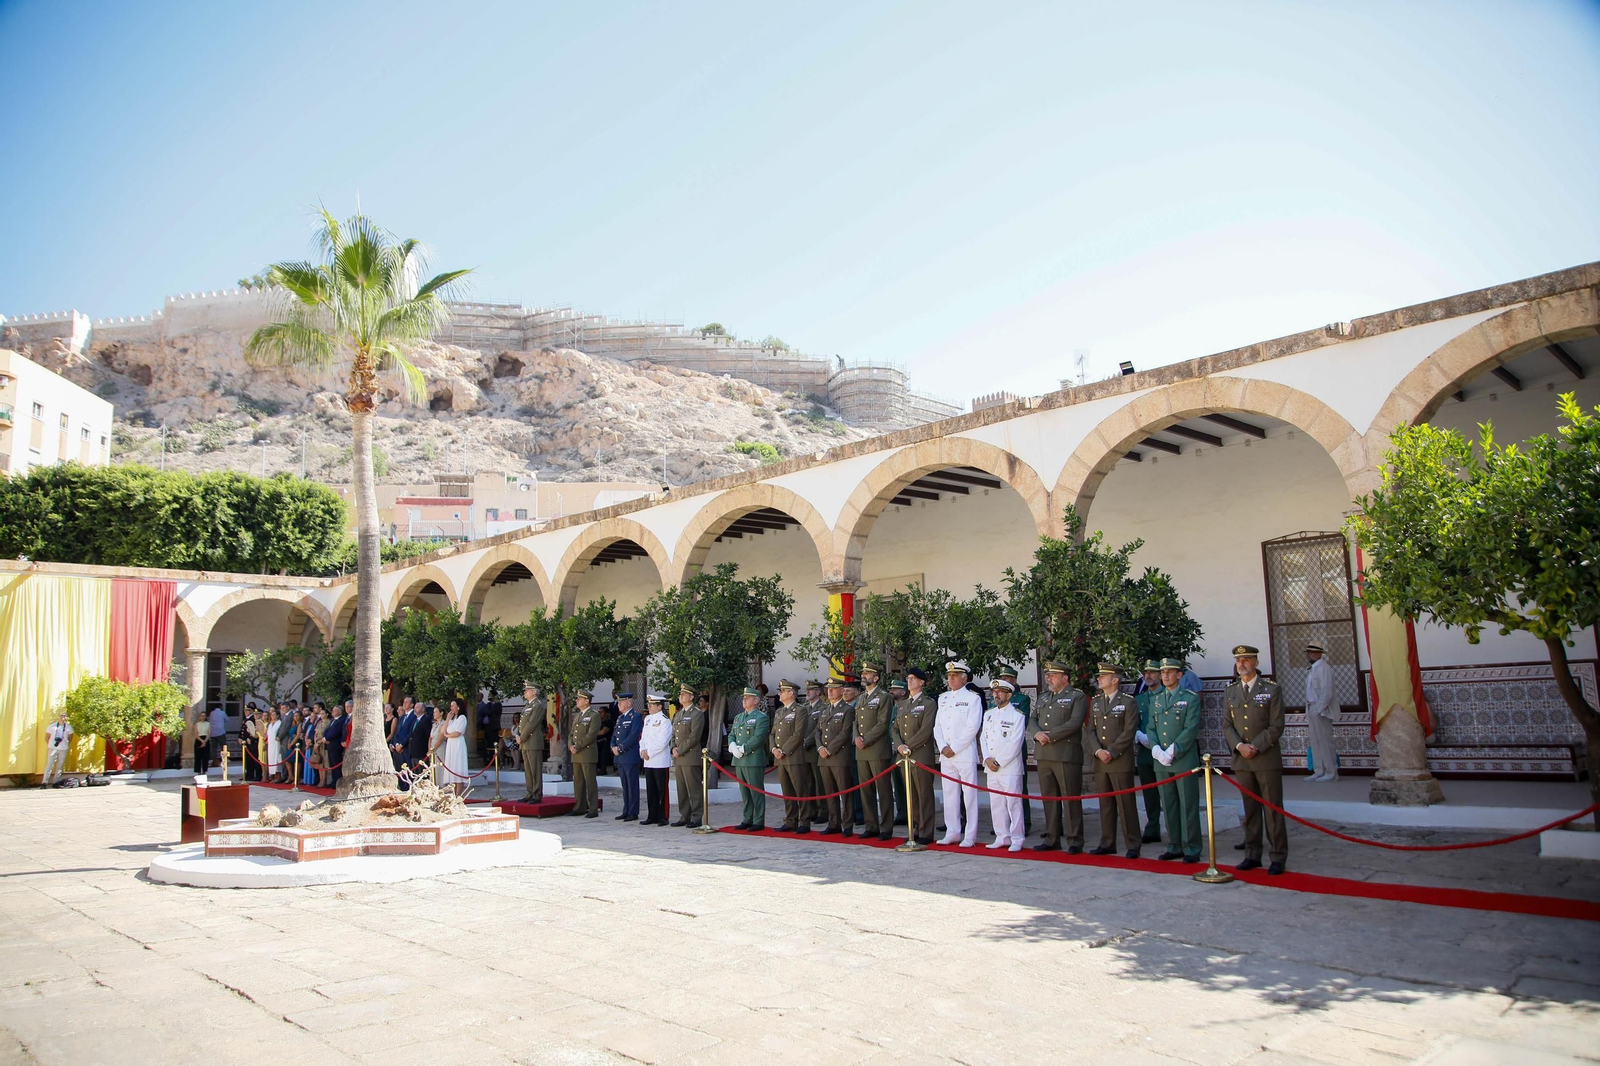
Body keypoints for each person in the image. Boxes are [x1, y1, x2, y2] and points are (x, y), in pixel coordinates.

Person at [1225, 644, 1288, 874]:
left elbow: (1276, 725)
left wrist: (1255, 746)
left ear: (1256, 663)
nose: (1241, 664)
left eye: (1247, 659)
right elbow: (1227, 725)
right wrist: (1239, 746)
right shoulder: (1230, 691)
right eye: (1238, 660)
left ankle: (1278, 856)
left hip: (1265, 758)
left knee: (1272, 809)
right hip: (1242, 759)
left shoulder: (1271, 689)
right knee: (1249, 809)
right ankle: (1252, 854)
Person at [1147, 658, 1203, 863]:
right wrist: (1155, 748)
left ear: (1179, 675)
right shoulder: (1157, 698)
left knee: (1187, 804)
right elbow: (1151, 727)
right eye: (1163, 672)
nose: (1165, 676)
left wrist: (1174, 749)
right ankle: (1174, 844)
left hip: (1182, 759)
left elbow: (1191, 728)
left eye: (1170, 672)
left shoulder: (1190, 698)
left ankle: (1192, 847)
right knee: (1168, 803)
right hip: (1161, 760)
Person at [1029, 660, 1087, 854]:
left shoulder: (1076, 696)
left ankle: (1074, 840)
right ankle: (1052, 837)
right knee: (1049, 798)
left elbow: (1074, 723)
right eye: (1047, 675)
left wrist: (1049, 735)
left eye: (1052, 675)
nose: (1048, 679)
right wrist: (1037, 733)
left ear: (1065, 678)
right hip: (1044, 754)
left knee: (1070, 799)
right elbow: (1032, 719)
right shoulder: (1044, 697)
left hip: (1065, 754)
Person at [1087, 663, 1142, 859]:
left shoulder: (1128, 702)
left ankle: (1133, 843)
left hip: (1119, 760)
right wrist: (1098, 751)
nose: (1099, 679)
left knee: (1125, 803)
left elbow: (1129, 731)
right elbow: (1091, 731)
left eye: (1103, 676)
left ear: (1115, 679)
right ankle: (1107, 842)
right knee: (1106, 804)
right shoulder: (1095, 702)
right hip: (1101, 760)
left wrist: (1112, 751)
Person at [934, 660, 984, 848]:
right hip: (946, 754)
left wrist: (953, 747)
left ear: (964, 679)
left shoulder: (972, 698)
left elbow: (973, 727)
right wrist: (942, 746)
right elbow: (937, 726)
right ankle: (952, 831)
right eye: (949, 676)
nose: (951, 679)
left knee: (969, 794)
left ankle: (970, 835)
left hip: (962, 752)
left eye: (954, 676)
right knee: (949, 793)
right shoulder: (943, 698)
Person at [981, 677, 1027, 851]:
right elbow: (983, 738)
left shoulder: (1016, 715)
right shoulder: (989, 714)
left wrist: (998, 761)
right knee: (997, 803)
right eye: (994, 692)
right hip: (991, 767)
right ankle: (1002, 836)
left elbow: (1015, 743)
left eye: (1000, 692)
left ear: (1009, 695)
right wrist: (987, 758)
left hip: (1008, 767)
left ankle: (1017, 838)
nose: (996, 695)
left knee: (1013, 803)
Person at [893, 668, 938, 845]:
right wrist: (899, 745)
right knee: (911, 795)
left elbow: (925, 730)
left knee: (923, 794)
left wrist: (908, 746)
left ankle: (926, 831)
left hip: (920, 755)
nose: (909, 681)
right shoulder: (903, 704)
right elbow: (895, 729)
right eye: (908, 678)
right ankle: (915, 829)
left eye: (913, 679)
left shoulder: (928, 703)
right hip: (904, 756)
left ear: (922, 683)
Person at [853, 664, 895, 840]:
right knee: (866, 790)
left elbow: (882, 723)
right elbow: (855, 722)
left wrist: (865, 739)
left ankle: (886, 827)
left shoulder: (884, 697)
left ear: (876, 678)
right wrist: (856, 737)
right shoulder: (861, 698)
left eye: (867, 673)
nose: (864, 676)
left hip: (877, 749)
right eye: (863, 673)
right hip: (861, 751)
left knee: (883, 790)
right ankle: (871, 826)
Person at [814, 677, 857, 836]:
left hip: (838, 756)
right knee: (830, 792)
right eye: (828, 689)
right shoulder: (825, 710)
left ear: (841, 691)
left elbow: (845, 732)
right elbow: (817, 731)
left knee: (844, 792)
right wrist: (820, 747)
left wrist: (829, 749)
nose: (830, 691)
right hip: (823, 757)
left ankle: (847, 825)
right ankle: (834, 823)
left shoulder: (847, 710)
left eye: (833, 689)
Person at [769, 679, 813, 833]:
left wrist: (784, 750)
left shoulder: (800, 710)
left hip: (793, 756)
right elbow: (773, 734)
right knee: (787, 791)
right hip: (779, 757)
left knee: (800, 789)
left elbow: (798, 734)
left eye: (782, 691)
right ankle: (790, 820)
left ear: (791, 693)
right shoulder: (779, 711)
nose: (779, 694)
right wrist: (774, 748)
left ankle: (804, 822)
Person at [995, 666, 1032, 836]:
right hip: (996, 751)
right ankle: (1002, 824)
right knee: (998, 791)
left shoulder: (1021, 699)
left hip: (1014, 749)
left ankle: (1024, 822)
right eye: (1002, 677)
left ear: (1014, 681)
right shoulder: (995, 698)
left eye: (1008, 678)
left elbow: (1021, 723)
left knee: (1018, 788)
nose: (1004, 680)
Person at [1132, 660, 1166, 844]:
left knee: (1168, 792)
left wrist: (1155, 742)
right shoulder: (1140, 699)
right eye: (1146, 672)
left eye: (1152, 673)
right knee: (1149, 793)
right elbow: (1134, 721)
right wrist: (1138, 734)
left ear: (1160, 675)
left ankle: (1175, 831)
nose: (1148, 676)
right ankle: (1153, 828)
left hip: (1164, 752)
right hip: (1145, 753)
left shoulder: (1167, 695)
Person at [727, 687, 771, 831]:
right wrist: (733, 746)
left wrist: (744, 748)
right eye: (744, 697)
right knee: (744, 792)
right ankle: (747, 818)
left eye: (748, 697)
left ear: (756, 700)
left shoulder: (761, 717)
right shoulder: (738, 717)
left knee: (755, 791)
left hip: (752, 758)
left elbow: (758, 737)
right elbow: (732, 734)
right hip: (739, 759)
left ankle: (758, 820)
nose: (744, 699)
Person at [670, 683, 708, 827]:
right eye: (680, 694)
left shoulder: (696, 713)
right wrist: (673, 747)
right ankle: (684, 815)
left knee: (694, 789)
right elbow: (674, 734)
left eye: (684, 694)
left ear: (691, 697)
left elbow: (694, 736)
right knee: (682, 789)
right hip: (679, 757)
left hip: (690, 756)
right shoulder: (679, 714)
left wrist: (680, 749)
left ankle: (696, 817)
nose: (681, 696)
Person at [1304, 642, 1339, 781]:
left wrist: (1319, 708)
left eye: (1312, 652)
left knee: (1325, 741)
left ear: (1319, 653)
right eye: (1308, 652)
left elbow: (1327, 691)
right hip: (1312, 707)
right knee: (1316, 741)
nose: (1309, 655)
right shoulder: (1312, 669)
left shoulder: (1323, 668)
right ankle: (1319, 770)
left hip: (1321, 709)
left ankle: (1331, 772)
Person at [566, 690, 603, 817]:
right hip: (576, 753)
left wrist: (578, 746)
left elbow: (591, 735)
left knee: (590, 781)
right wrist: (570, 745)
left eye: (579, 699)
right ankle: (579, 807)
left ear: (587, 700)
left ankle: (593, 808)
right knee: (578, 781)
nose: (577, 701)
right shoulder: (577, 715)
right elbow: (571, 733)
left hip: (587, 752)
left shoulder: (594, 715)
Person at [640, 693, 673, 825]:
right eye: (649, 704)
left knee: (661, 790)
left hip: (659, 760)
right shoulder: (647, 719)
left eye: (652, 705)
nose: (649, 707)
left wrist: (650, 753)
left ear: (659, 706)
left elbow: (663, 742)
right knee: (651, 789)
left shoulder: (665, 721)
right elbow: (643, 738)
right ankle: (651, 815)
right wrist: (642, 751)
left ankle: (663, 816)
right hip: (648, 760)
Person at [611, 692, 643, 821]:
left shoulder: (635, 717)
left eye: (621, 702)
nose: (618, 704)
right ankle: (626, 809)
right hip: (620, 757)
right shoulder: (620, 718)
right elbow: (614, 735)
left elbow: (633, 736)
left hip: (629, 755)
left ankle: (633, 812)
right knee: (625, 785)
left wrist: (620, 748)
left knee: (632, 785)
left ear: (629, 703)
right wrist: (613, 746)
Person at [517, 685, 547, 802]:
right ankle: (530, 792)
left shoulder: (537, 705)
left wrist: (522, 737)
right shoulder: (528, 705)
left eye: (527, 690)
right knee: (528, 769)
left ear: (534, 692)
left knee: (535, 769)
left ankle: (537, 794)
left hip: (533, 741)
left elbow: (532, 723)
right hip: (525, 742)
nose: (525, 692)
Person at [803, 679, 826, 825]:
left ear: (818, 692)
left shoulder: (823, 707)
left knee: (820, 783)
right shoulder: (803, 707)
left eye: (810, 689)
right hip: (803, 751)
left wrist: (806, 741)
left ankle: (823, 811)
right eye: (807, 689)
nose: (807, 692)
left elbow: (819, 729)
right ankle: (811, 811)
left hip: (815, 749)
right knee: (808, 783)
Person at [887, 677, 910, 824]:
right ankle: (901, 813)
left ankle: (911, 814)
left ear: (903, 692)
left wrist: (900, 744)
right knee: (897, 783)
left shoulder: (906, 705)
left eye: (895, 689)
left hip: (905, 749)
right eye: (891, 689)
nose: (892, 691)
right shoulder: (892, 707)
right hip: (892, 750)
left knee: (908, 783)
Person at [441, 700, 469, 794]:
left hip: (458, 744)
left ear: (458, 707)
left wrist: (447, 735)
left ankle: (458, 794)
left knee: (458, 767)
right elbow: (442, 731)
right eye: (451, 706)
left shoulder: (462, 718)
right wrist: (448, 719)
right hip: (451, 745)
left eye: (453, 705)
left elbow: (457, 733)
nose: (451, 708)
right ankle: (453, 793)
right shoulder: (453, 719)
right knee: (452, 767)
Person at [43, 710, 73, 787]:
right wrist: (51, 745)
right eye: (62, 715)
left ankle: (55, 782)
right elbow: (47, 737)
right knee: (49, 765)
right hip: (52, 748)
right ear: (59, 716)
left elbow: (70, 738)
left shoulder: (68, 727)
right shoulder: (52, 726)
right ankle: (44, 782)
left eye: (65, 716)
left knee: (60, 766)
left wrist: (65, 744)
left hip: (63, 749)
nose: (63, 717)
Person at [324, 702, 348, 789]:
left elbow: (336, 732)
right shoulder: (333, 720)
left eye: (335, 710)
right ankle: (334, 781)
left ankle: (337, 782)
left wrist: (327, 738)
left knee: (336, 764)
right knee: (332, 765)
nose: (333, 712)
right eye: (333, 710)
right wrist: (325, 738)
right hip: (330, 745)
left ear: (340, 712)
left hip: (336, 745)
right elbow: (327, 730)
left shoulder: (341, 720)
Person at [265, 709, 283, 782]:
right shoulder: (270, 724)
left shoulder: (279, 723)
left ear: (278, 715)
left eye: (274, 715)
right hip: (270, 744)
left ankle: (278, 776)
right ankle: (273, 775)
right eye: (271, 715)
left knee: (277, 758)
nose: (272, 716)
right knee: (271, 759)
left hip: (276, 743)